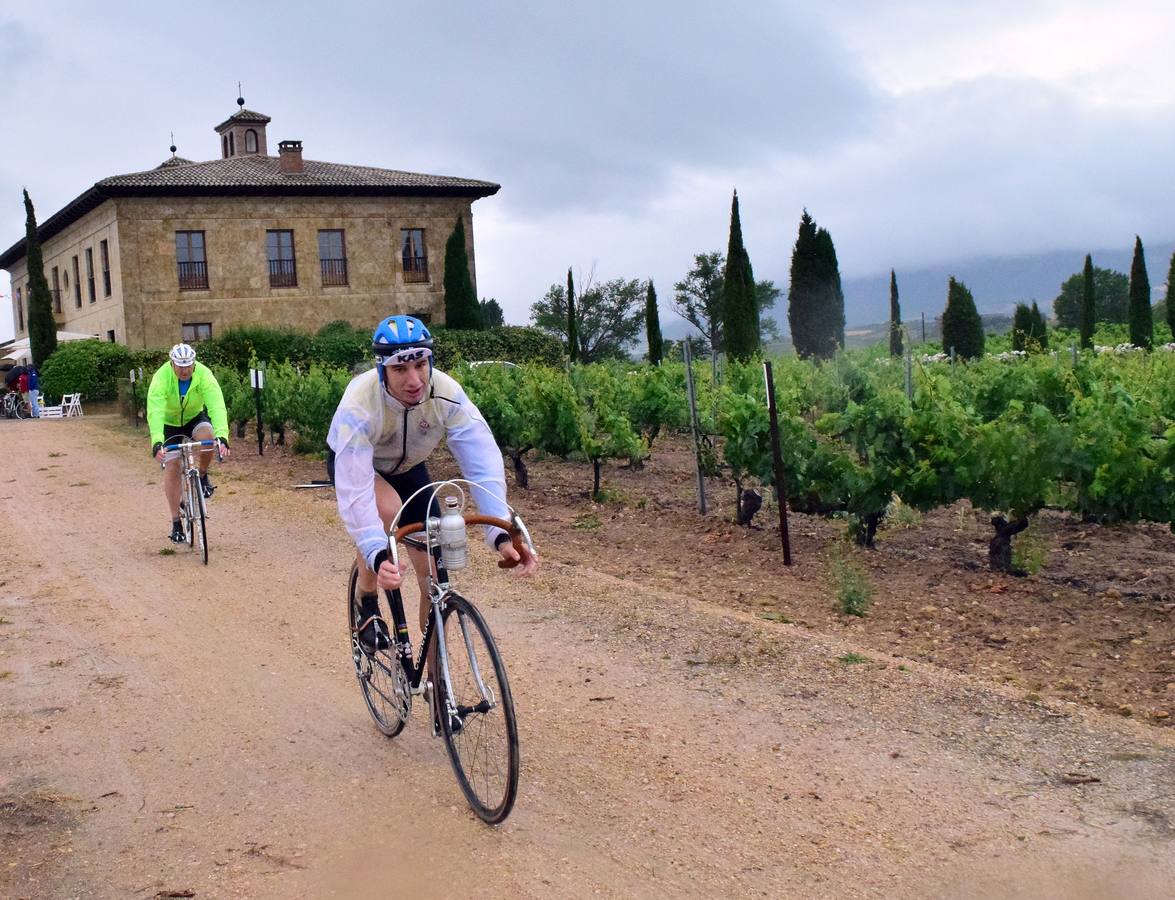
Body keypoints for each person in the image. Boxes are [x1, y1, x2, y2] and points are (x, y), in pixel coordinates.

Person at [328, 314, 538, 658]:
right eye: (400, 369)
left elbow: (481, 459)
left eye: (421, 365)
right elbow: (354, 487)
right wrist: (375, 550)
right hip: (360, 466)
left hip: (409, 469)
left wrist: (500, 531)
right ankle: (366, 600)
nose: (414, 380)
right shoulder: (360, 403)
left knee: (434, 578)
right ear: (382, 369)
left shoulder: (446, 392)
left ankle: (435, 680)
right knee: (386, 512)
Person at [146, 343, 231, 543]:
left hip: (194, 417)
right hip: (169, 423)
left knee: (208, 438)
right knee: (173, 466)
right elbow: (155, 411)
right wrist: (157, 442)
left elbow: (217, 404)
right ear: (172, 364)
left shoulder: (204, 374)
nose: (184, 370)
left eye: (188, 365)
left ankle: (201, 476)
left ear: (194, 363)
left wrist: (223, 435)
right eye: (180, 366)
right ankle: (176, 522)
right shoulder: (161, 378)